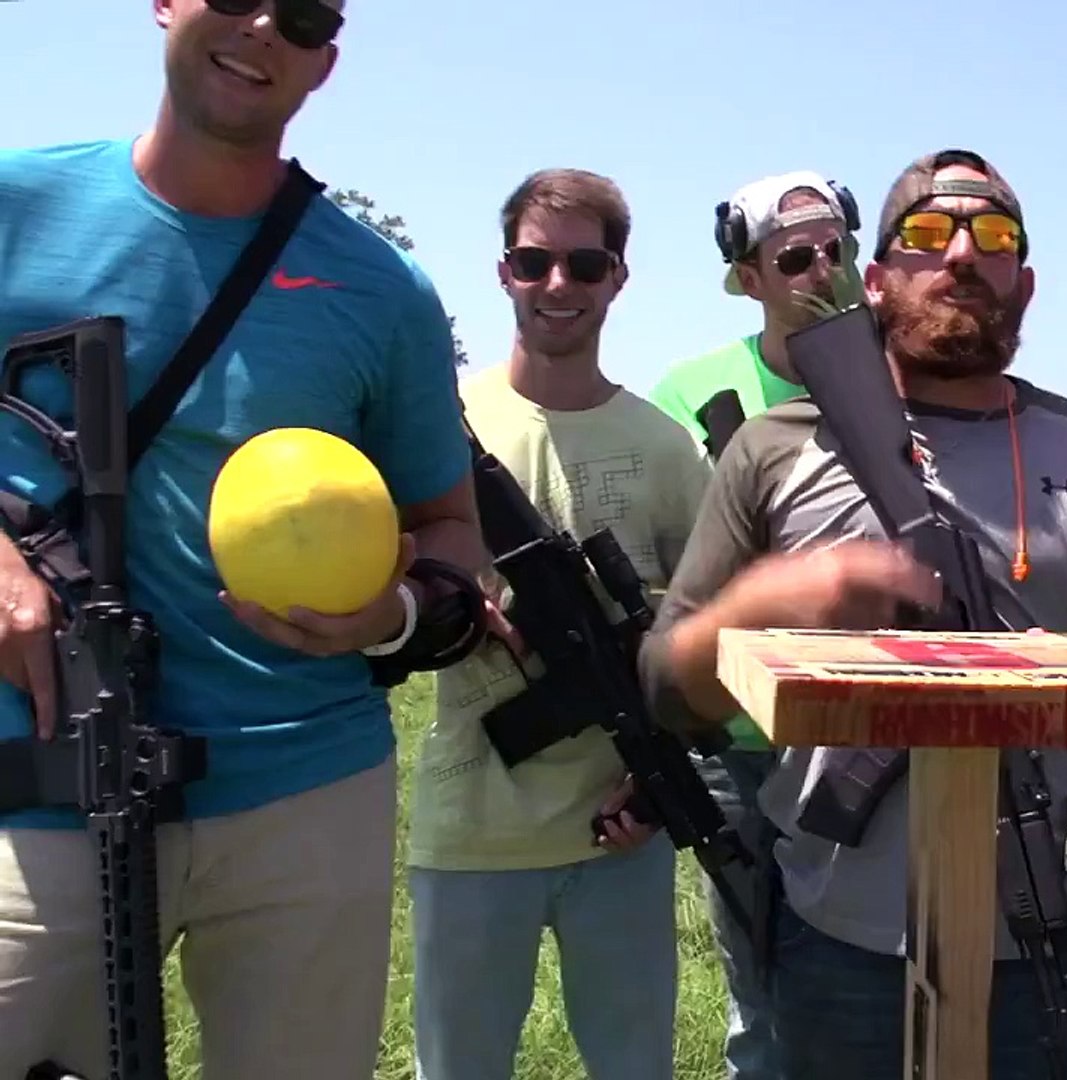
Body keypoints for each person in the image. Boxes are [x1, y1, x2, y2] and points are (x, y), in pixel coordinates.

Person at [639, 147, 1067, 1079]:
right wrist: (762, 605)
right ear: (874, 280)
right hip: (845, 942)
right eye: (925, 235)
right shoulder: (775, 449)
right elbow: (666, 690)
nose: (961, 253)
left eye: (993, 235)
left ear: (1026, 283)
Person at [0, 1, 488, 1076]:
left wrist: (394, 613)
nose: (263, 25)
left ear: (326, 59)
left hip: (304, 792)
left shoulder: (383, 289)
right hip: (38, 779)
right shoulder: (15, 204)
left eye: (306, 13)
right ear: (166, 5)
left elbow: (452, 528)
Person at [404, 167, 713, 1080]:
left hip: (618, 837)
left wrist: (659, 790)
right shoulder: (439, 422)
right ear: (503, 271)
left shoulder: (665, 447)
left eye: (584, 264)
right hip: (468, 830)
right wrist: (451, 607)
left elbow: (706, 638)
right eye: (534, 262)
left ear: (619, 277)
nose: (558, 286)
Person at [645, 167, 863, 1080]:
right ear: (748, 278)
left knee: (870, 975)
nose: (821, 270)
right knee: (761, 987)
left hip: (868, 733)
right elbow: (659, 574)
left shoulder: (897, 381)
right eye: (794, 256)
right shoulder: (691, 392)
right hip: (735, 740)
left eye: (837, 251)